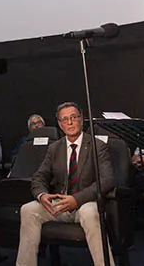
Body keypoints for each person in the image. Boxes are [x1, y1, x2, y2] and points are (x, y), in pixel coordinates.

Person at [16, 102, 115, 266]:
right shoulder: (54, 148)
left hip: (85, 203)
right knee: (28, 209)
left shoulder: (97, 146)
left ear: (81, 119)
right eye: (64, 119)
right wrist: (42, 195)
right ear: (60, 124)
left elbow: (107, 180)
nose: (69, 123)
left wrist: (76, 199)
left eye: (73, 117)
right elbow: (39, 176)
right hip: (60, 204)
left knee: (90, 213)